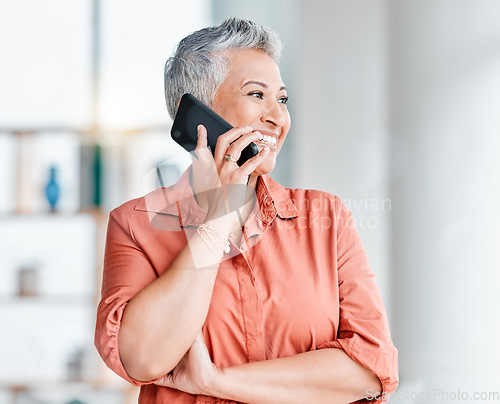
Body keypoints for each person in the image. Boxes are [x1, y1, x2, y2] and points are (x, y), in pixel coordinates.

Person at [95, 18, 398, 404]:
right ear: (198, 116)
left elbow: (371, 372)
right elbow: (142, 360)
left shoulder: (326, 217)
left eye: (282, 99)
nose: (278, 117)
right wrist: (219, 216)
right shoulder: (136, 224)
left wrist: (214, 382)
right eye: (257, 95)